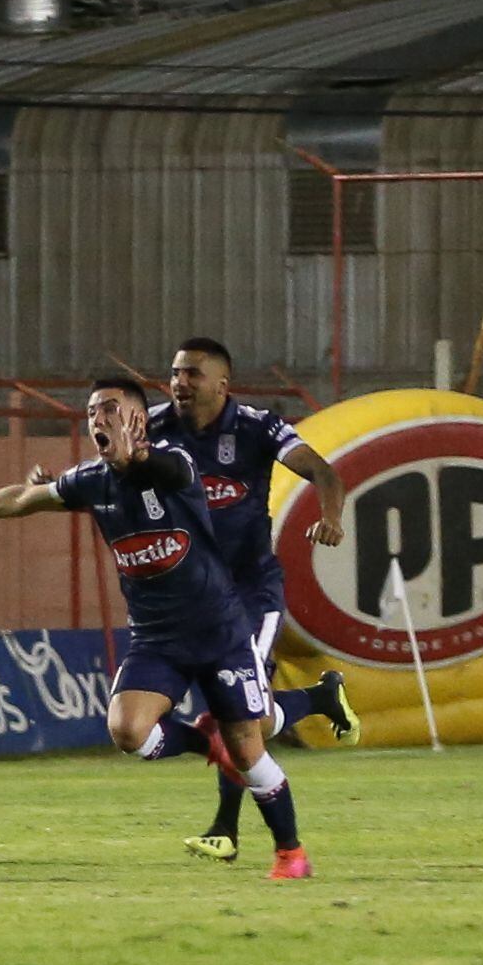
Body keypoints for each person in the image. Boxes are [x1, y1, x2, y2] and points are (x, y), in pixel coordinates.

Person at [0, 376, 315, 880]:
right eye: (92, 411)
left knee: (250, 749)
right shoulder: (91, 480)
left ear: (137, 419)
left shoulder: (176, 463)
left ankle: (290, 854)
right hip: (157, 637)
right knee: (127, 731)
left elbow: (153, 465)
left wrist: (134, 456)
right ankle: (208, 743)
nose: (97, 418)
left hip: (219, 631)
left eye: (109, 409)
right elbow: (28, 498)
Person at [151, 338, 358, 862]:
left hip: (250, 593)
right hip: (189, 596)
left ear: (222, 384)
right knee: (249, 717)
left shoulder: (257, 426)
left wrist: (331, 517)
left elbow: (323, 471)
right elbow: (106, 476)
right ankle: (315, 700)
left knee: (234, 714)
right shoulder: (154, 427)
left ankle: (228, 830)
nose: (180, 382)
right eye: (176, 373)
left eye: (193, 374)